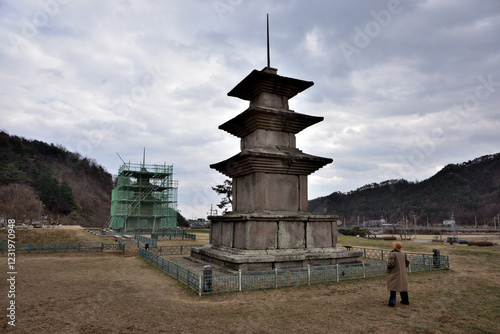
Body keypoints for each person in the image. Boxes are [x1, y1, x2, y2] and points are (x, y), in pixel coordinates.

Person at [386, 241, 410, 306]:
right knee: (403, 287)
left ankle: (392, 302)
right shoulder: (403, 253)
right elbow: (407, 262)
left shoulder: (392, 254)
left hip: (394, 272)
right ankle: (405, 300)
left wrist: (388, 267)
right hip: (402, 273)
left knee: (393, 287)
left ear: (395, 246)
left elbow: (391, 264)